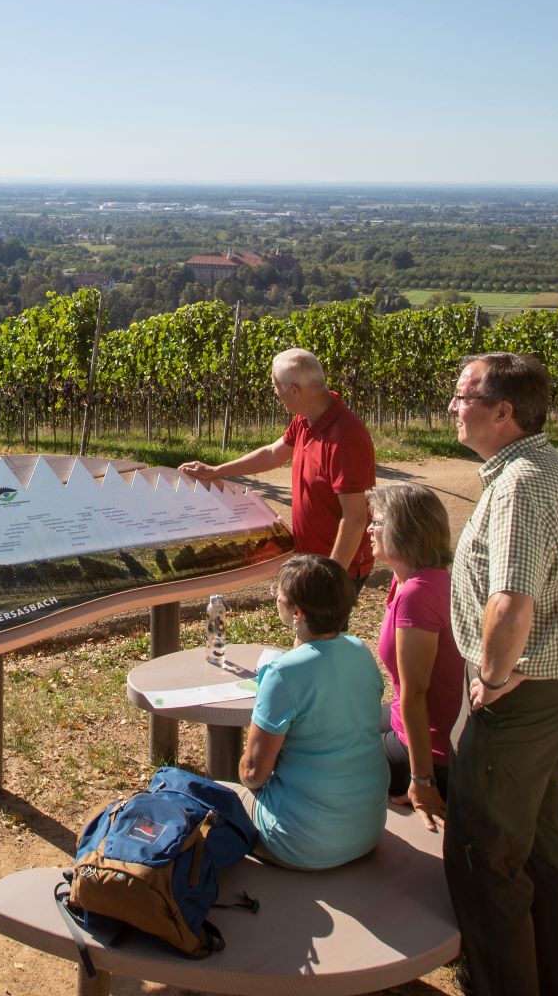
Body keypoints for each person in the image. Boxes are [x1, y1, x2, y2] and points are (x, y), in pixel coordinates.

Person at [444, 351, 558, 996]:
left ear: (502, 412)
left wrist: (490, 677)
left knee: (486, 857)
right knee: (540, 842)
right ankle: (550, 979)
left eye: (464, 397)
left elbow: (510, 602)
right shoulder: (554, 467)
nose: (453, 407)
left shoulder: (518, 486)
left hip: (516, 697)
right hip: (556, 686)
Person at [226, 554, 386, 869]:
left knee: (212, 795)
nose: (275, 597)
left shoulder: (283, 673)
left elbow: (253, 773)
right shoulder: (360, 652)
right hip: (367, 830)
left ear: (297, 613)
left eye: (279, 594)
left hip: (301, 843)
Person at [181, 348, 374, 578]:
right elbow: (272, 453)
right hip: (312, 562)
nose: (275, 393)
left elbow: (355, 518)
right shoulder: (305, 419)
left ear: (294, 391)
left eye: (276, 387)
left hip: (337, 569)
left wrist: (333, 579)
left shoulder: (345, 437)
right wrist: (216, 470)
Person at [370, 482, 462, 826]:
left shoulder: (418, 594)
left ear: (404, 531)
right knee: (331, 724)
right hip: (408, 719)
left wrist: (423, 781)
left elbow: (417, 692)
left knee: (319, 755)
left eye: (377, 522)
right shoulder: (410, 579)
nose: (369, 529)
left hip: (431, 751)